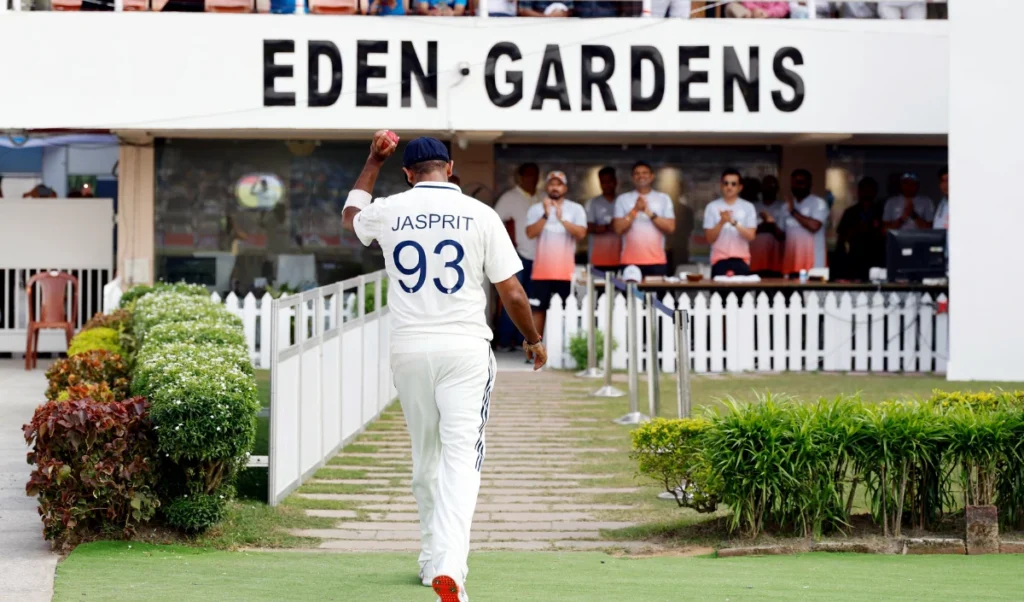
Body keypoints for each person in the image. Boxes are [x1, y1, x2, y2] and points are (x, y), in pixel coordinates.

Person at [342, 132, 546, 602]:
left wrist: (372, 160)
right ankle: (451, 564)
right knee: (461, 459)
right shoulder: (481, 214)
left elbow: (351, 217)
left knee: (425, 459)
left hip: (410, 349)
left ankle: (431, 557)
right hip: (465, 349)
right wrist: (533, 340)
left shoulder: (391, 209)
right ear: (450, 168)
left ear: (408, 173)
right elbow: (512, 293)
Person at [525, 171, 587, 338]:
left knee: (568, 310)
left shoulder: (575, 209)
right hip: (541, 272)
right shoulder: (536, 209)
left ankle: (567, 348)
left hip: (566, 272)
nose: (555, 187)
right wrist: (546, 215)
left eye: (559, 184)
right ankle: (534, 350)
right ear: (547, 187)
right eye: (552, 184)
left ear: (565, 188)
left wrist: (562, 220)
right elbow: (530, 233)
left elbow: (581, 234)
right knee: (538, 310)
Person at [493, 163, 541, 348]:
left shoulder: (541, 197)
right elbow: (495, 223)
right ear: (520, 177)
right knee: (512, 298)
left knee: (532, 302)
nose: (532, 179)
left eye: (535, 175)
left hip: (540, 258)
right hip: (517, 256)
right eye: (528, 175)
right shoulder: (509, 197)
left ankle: (527, 342)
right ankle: (506, 341)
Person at [612, 161, 676, 278]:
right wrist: (635, 210)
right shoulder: (623, 199)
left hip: (657, 261)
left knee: (656, 296)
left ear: (652, 176)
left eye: (645, 173)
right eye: (637, 173)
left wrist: (648, 212)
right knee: (631, 296)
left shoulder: (663, 199)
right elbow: (618, 229)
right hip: (629, 262)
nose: (641, 176)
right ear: (633, 178)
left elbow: (670, 228)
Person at [703, 168, 758, 277]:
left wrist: (734, 223)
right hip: (719, 261)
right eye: (726, 183)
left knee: (741, 294)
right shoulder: (712, 207)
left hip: (741, 261)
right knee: (718, 295)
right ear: (721, 185)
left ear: (740, 187)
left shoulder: (748, 207)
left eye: (733, 184)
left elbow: (751, 236)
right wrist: (721, 222)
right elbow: (709, 239)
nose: (729, 187)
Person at [780, 169, 830, 277]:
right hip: (791, 266)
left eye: (801, 182)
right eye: (795, 182)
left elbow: (814, 226)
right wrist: (769, 223)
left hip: (814, 267)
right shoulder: (785, 206)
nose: (798, 186)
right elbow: (780, 235)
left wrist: (793, 212)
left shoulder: (819, 203)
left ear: (810, 184)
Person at [835, 177, 885, 282]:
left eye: (870, 190)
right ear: (859, 192)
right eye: (864, 189)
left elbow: (885, 234)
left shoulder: (881, 211)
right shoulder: (850, 212)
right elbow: (842, 237)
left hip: (877, 258)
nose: (867, 193)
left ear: (875, 192)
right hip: (854, 259)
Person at [586, 167, 621, 273]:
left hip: (620, 259)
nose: (607, 185)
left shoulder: (623, 201)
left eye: (609, 181)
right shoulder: (593, 203)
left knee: (620, 288)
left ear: (615, 182)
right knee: (598, 289)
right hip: (598, 258)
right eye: (603, 182)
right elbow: (587, 227)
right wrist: (608, 227)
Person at [750, 175, 786, 278]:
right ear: (761, 188)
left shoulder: (783, 206)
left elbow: (782, 235)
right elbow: (748, 233)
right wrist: (764, 224)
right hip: (756, 259)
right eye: (766, 185)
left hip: (776, 260)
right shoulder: (753, 206)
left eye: (772, 185)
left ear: (777, 188)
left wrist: (771, 223)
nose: (769, 188)